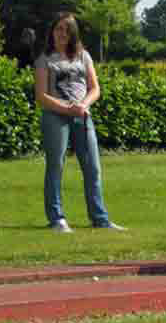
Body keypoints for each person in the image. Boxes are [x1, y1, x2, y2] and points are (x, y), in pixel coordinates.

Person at [34, 12, 126, 233]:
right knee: (56, 166)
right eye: (58, 29)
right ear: (52, 32)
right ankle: (57, 219)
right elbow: (41, 96)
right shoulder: (44, 59)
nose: (62, 33)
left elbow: (95, 88)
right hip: (55, 116)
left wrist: (83, 106)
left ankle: (100, 219)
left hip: (82, 116)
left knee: (92, 167)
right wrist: (67, 108)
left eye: (66, 29)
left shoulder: (83, 56)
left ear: (73, 33)